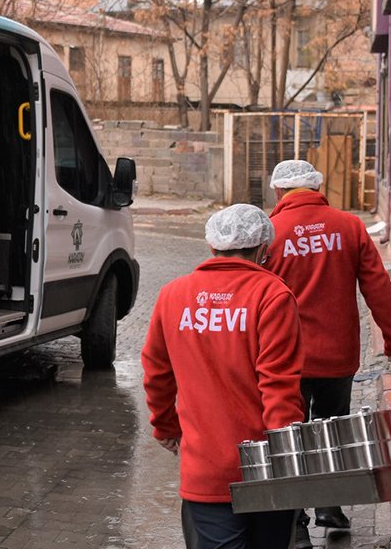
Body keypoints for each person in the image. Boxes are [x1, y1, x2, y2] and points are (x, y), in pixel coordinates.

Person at [263, 159, 391, 545]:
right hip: (337, 353)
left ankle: (294, 523)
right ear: (317, 188)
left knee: (288, 435)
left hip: (284, 357)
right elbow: (378, 287)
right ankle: (330, 510)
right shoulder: (349, 226)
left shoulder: (272, 232)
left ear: (279, 192)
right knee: (332, 429)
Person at [142, 203, 304, 549]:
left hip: (206, 470)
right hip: (267, 469)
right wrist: (286, 460)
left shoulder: (173, 295)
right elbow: (279, 388)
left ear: (212, 245)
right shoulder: (271, 295)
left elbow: (156, 372)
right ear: (263, 249)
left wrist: (166, 426)